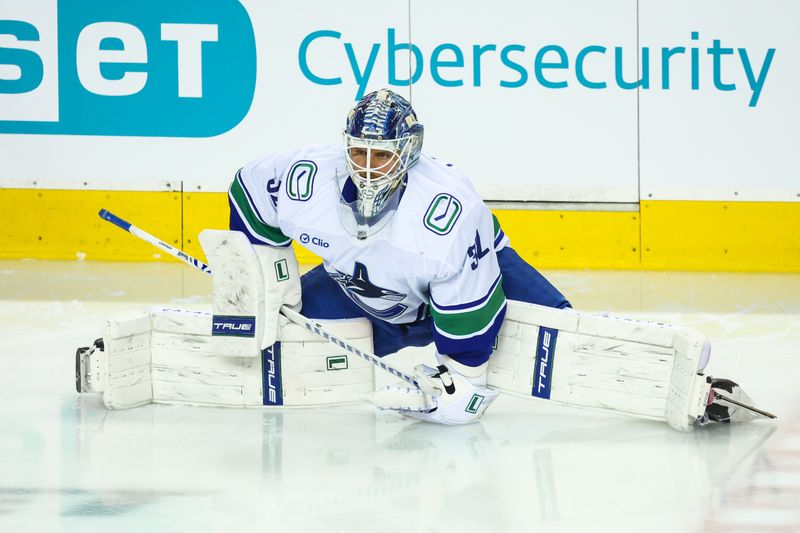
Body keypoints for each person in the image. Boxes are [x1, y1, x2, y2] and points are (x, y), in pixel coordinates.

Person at [228, 88, 570, 424]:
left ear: (408, 151)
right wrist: (268, 286)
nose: (367, 168)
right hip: (360, 292)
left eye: (381, 155)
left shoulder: (446, 211)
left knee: (565, 339)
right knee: (282, 345)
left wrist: (464, 378)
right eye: (359, 152)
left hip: (480, 277)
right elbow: (250, 191)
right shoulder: (307, 178)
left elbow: (470, 299)